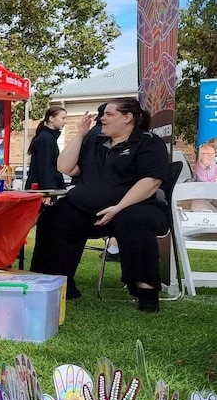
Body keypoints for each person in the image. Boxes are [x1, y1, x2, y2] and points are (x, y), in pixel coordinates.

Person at [30, 97, 170, 312]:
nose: (102, 118)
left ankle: (146, 291)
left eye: (109, 114)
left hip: (135, 206)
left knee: (134, 220)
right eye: (103, 114)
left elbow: (151, 182)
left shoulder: (148, 142)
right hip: (88, 208)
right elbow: (65, 167)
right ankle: (58, 282)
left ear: (128, 118)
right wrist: (80, 135)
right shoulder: (95, 141)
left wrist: (119, 207)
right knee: (54, 217)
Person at [24, 106, 68, 190]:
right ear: (51, 118)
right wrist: (47, 191)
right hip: (44, 189)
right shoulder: (46, 139)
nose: (65, 122)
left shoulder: (48, 137)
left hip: (46, 187)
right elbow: (45, 166)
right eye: (63, 118)